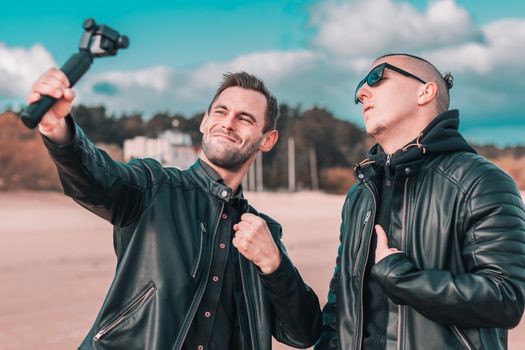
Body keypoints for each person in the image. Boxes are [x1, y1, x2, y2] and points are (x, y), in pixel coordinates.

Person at [29, 69, 322, 350]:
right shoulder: (154, 187)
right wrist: (58, 128)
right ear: (205, 122)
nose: (228, 123)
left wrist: (275, 265)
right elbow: (96, 177)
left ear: (267, 140)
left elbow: (302, 332)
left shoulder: (263, 233)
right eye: (220, 112)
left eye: (244, 118)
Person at [315, 53, 525, 350]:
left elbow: (506, 298)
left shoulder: (481, 181)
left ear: (425, 91)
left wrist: (400, 277)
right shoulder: (361, 194)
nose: (361, 93)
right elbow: (339, 307)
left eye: (376, 78)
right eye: (359, 90)